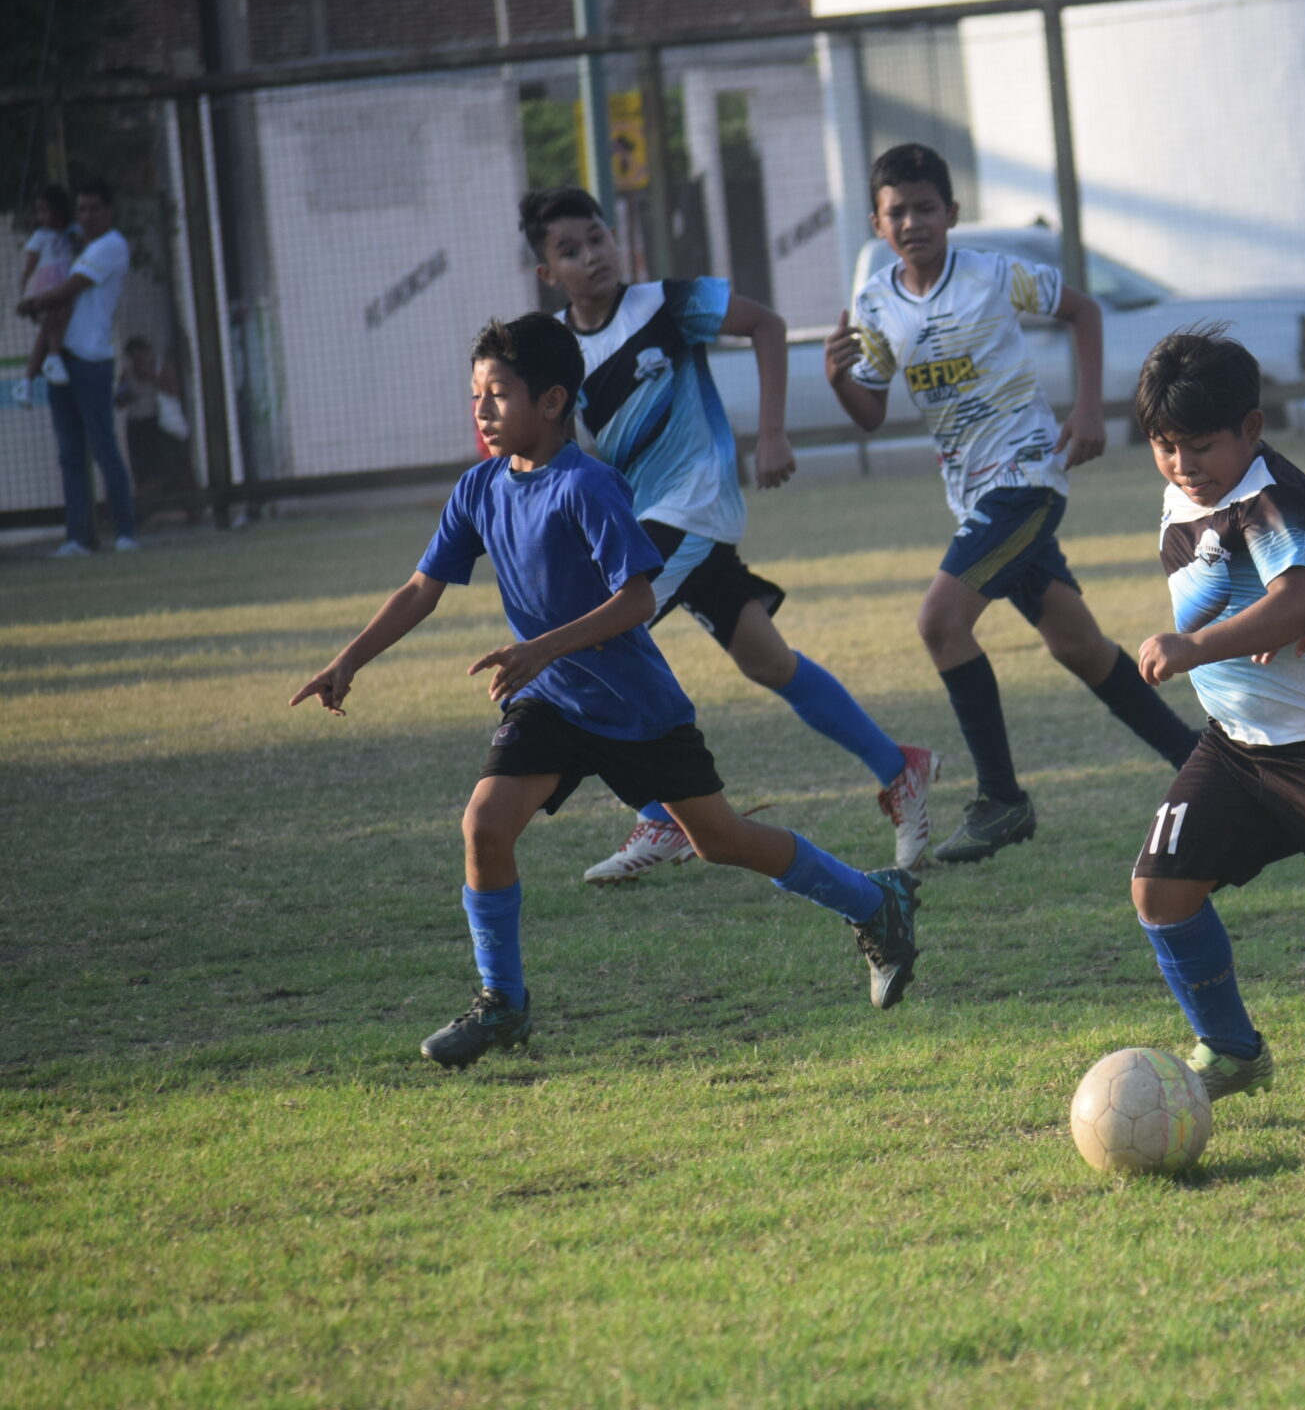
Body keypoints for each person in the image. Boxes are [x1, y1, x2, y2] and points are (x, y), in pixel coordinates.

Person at [289, 314, 923, 1067]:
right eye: (476, 395)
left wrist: (539, 647)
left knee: (722, 841)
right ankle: (502, 1001)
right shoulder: (479, 489)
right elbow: (422, 586)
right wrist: (348, 660)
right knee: (484, 825)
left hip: (636, 709)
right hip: (551, 700)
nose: (483, 410)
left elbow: (637, 600)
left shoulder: (587, 485)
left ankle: (873, 901)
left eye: (498, 394)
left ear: (553, 400)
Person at [514, 186, 943, 885]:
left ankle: (660, 813)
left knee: (604, 639)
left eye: (597, 238)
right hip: (649, 518)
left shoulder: (664, 303)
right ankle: (902, 769)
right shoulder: (558, 350)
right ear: (546, 272)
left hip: (694, 507)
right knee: (767, 660)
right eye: (570, 250)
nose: (591, 255)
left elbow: (768, 326)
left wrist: (770, 433)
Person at [823, 143, 1199, 865]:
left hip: (1027, 479)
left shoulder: (992, 274)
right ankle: (1201, 763)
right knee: (1078, 645)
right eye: (896, 211)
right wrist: (838, 375)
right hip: (973, 498)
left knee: (939, 621)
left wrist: (1090, 411)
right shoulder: (876, 305)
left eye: (925, 207)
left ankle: (1002, 798)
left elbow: (1083, 311)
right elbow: (868, 413)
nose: (912, 221)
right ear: (877, 222)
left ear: (952, 213)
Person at [1124, 331, 1305, 1101]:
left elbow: (1303, 599)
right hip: (1236, 748)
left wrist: (1194, 646)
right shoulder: (1193, 489)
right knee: (1160, 890)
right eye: (1165, 445)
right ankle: (1233, 1048)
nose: (1183, 465)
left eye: (1201, 445)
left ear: (1252, 427)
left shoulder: (1269, 495)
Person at [16, 181, 137, 556]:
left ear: (109, 211)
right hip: (62, 358)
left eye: (94, 209)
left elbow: (69, 289)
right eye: (81, 209)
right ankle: (77, 538)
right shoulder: (75, 244)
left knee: (103, 448)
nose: (86, 216)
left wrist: (31, 302)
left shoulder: (109, 246)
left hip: (90, 359)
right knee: (69, 454)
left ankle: (125, 533)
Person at [116, 336, 195, 520]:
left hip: (160, 424)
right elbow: (119, 400)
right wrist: (126, 396)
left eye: (140, 355)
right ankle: (145, 514)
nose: (138, 360)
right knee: (143, 472)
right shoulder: (127, 373)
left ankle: (191, 510)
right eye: (133, 356)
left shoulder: (161, 365)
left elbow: (174, 390)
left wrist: (151, 377)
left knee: (172, 470)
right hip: (137, 424)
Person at [16, 184, 78, 404]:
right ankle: (53, 357)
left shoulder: (72, 233)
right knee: (57, 315)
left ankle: (26, 382)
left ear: (59, 209)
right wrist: (25, 295)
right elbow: (29, 267)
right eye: (38, 211)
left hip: (65, 283)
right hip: (48, 286)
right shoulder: (40, 236)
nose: (41, 216)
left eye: (45, 210)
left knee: (45, 332)